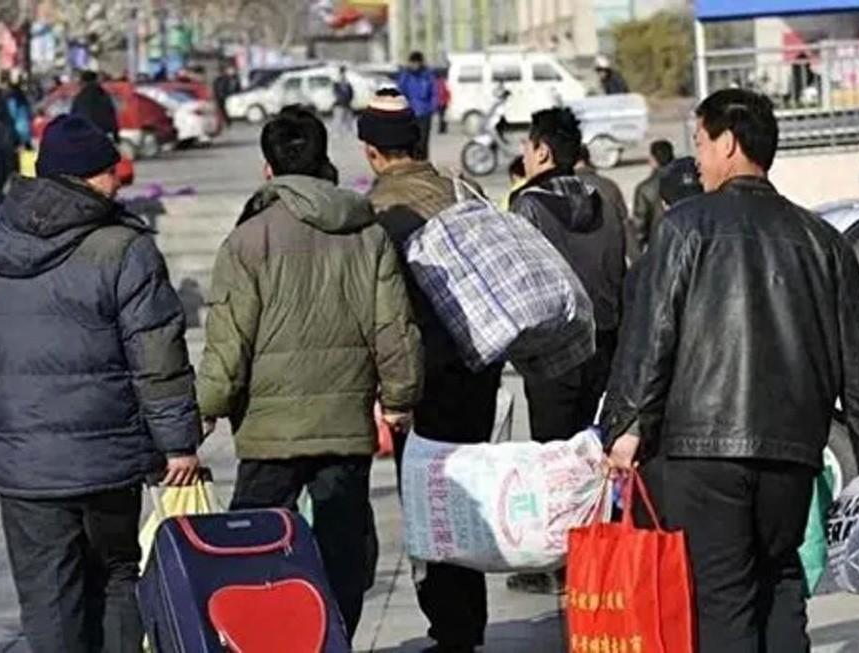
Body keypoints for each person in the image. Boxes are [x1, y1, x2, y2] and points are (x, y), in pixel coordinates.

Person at [603, 89, 859, 653]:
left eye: (700, 142)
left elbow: (652, 335)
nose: (697, 159)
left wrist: (626, 425)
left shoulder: (685, 227)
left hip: (702, 452)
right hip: (791, 452)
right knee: (782, 581)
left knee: (723, 597)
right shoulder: (821, 240)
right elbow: (856, 353)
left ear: (729, 144)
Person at [0, 114, 202, 653]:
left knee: (47, 596)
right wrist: (177, 441)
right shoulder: (124, 248)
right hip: (109, 457)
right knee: (118, 576)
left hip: (23, 462)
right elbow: (157, 353)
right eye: (110, 170)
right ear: (87, 176)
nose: (119, 180)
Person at [197, 106, 423, 638]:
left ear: (268, 169)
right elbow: (393, 328)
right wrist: (399, 397)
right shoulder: (366, 235)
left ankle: (266, 638)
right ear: (324, 161)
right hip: (344, 423)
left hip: (268, 430)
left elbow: (228, 342)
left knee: (254, 544)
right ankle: (335, 637)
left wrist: (205, 408)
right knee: (344, 544)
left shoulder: (247, 240)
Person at [359, 90, 501, 653]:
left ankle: (452, 627)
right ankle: (470, 619)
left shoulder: (376, 212)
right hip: (478, 367)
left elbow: (383, 312)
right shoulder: (464, 189)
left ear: (371, 151)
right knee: (466, 491)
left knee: (428, 501)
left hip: (421, 380)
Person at [507, 107, 626, 594]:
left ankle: (560, 565)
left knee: (553, 461)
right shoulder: (604, 200)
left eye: (527, 145)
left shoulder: (527, 205)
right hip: (604, 346)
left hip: (553, 353)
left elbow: (522, 283)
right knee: (592, 456)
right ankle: (597, 558)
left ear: (542, 151)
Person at [630, 139, 675, 258]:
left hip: (658, 246)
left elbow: (639, 226)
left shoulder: (645, 188)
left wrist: (638, 255)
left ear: (653, 160)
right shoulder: (685, 182)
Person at [397, 51, 438, 159]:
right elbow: (400, 92)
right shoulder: (406, 76)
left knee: (423, 142)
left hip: (424, 113)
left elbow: (434, 93)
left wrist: (432, 108)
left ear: (420, 63)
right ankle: (412, 163)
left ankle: (423, 163)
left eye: (416, 62)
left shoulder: (427, 76)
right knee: (410, 141)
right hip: (410, 113)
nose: (414, 65)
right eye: (412, 62)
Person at [72, 70, 119, 140]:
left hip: (85, 133)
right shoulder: (104, 95)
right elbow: (112, 114)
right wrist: (116, 135)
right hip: (102, 133)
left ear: (83, 82)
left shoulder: (80, 97)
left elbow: (73, 117)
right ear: (96, 80)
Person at [332, 66, 356, 134]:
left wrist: (350, 99)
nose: (344, 74)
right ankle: (338, 132)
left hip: (346, 103)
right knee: (339, 118)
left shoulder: (346, 81)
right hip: (340, 103)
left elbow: (350, 92)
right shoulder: (337, 81)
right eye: (343, 72)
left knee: (348, 118)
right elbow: (337, 93)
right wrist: (341, 99)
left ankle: (348, 131)